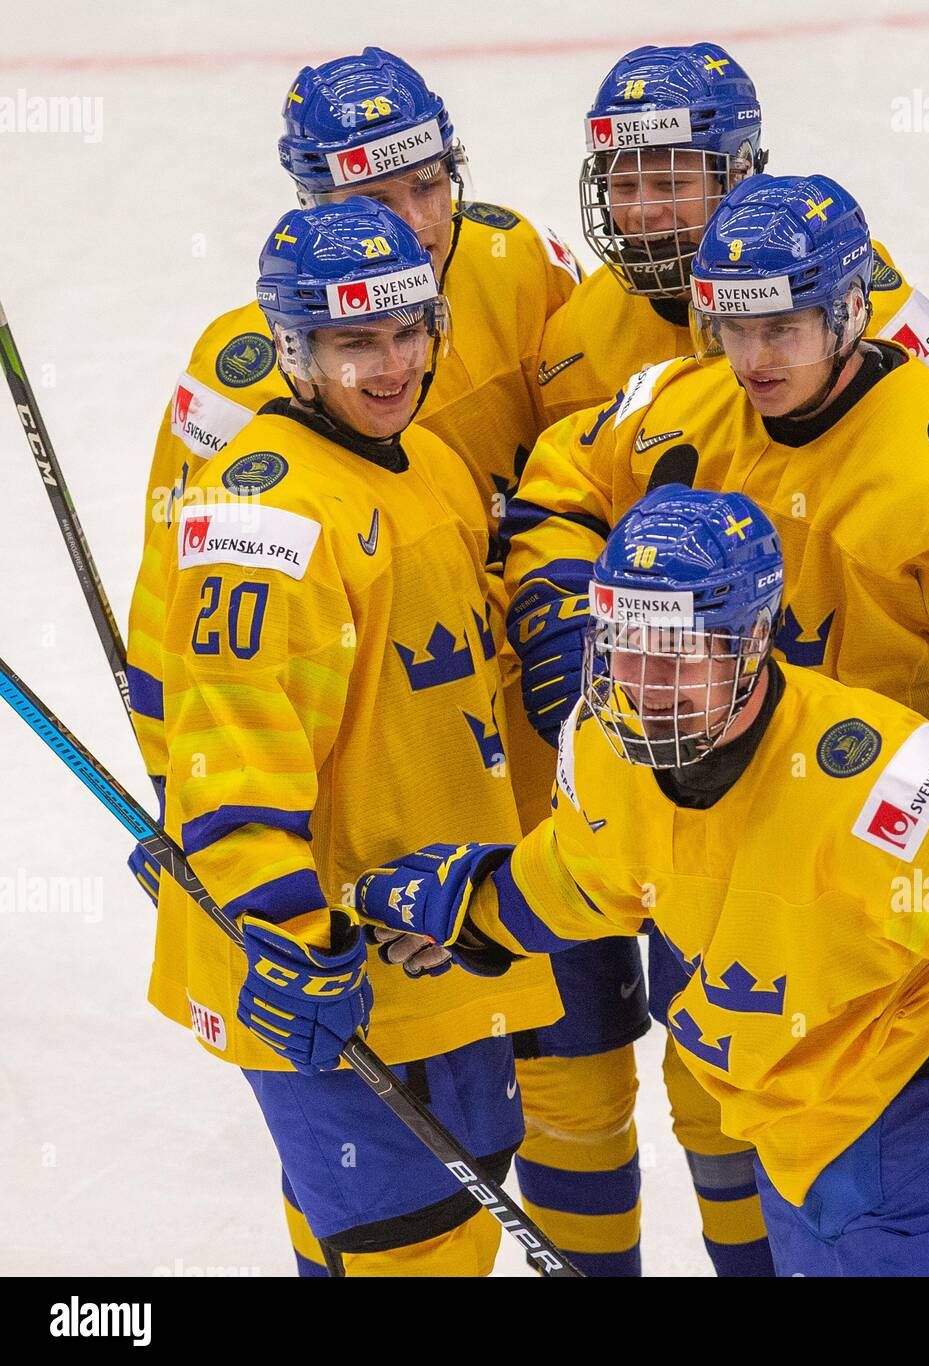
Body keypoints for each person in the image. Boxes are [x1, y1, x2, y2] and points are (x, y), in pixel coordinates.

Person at [359, 486, 929, 1277]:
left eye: (679, 652)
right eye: (625, 643)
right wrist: (472, 908)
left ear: (752, 641)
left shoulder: (873, 799)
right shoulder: (608, 746)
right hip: (794, 1144)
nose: (644, 681)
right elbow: (588, 874)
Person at [504, 172, 929, 1272]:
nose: (753, 357)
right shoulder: (679, 408)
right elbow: (558, 482)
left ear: (849, 310)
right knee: (762, 1125)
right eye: (733, 324)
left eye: (784, 325)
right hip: (726, 849)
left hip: (911, 885)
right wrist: (568, 651)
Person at [122, 46, 632, 1275]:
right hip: (350, 894)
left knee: (527, 1133)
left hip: (492, 845)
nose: (389, 361)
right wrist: (220, 841)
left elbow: (647, 404)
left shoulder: (509, 310)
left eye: (425, 186)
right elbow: (197, 662)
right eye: (353, 344)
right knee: (397, 1228)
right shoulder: (255, 466)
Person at [535, 41, 929, 433]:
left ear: (738, 172)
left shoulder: (837, 281)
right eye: (624, 186)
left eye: (671, 184)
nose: (642, 211)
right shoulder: (575, 337)